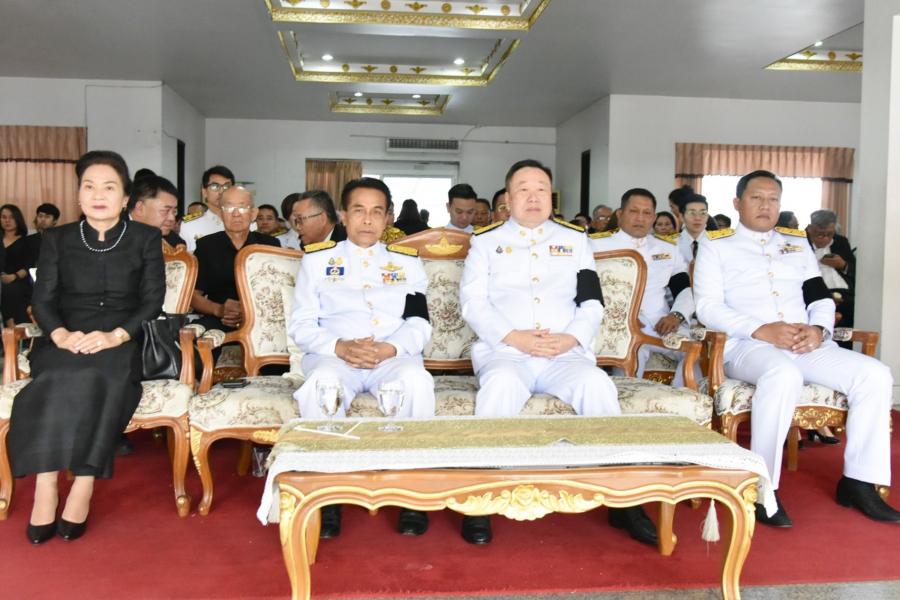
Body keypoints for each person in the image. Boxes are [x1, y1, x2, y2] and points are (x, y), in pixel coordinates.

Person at [694, 169, 900, 528]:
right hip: (747, 345)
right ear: (737, 203)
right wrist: (761, 329)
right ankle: (763, 487)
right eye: (756, 198)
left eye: (773, 199)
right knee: (783, 374)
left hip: (802, 342)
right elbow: (707, 307)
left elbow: (818, 295)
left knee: (875, 374)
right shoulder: (716, 244)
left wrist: (818, 329)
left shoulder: (796, 242)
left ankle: (860, 481)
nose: (765, 205)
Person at [460, 160, 650, 547]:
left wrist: (571, 339)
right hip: (507, 351)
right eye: (524, 189)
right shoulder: (485, 242)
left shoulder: (576, 240)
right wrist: (515, 338)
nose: (533, 197)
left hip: (563, 353)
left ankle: (623, 498)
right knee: (499, 387)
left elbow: (592, 302)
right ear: (508, 198)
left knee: (596, 385)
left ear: (551, 197)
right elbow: (473, 304)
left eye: (541, 189)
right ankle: (481, 498)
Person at [8, 150, 165, 544]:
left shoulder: (145, 238)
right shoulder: (57, 239)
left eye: (109, 187)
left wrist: (116, 335)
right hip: (66, 337)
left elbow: (152, 300)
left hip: (121, 340)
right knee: (58, 372)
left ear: (125, 198)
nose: (98, 195)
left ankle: (84, 482)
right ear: (78, 195)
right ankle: (46, 482)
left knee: (103, 373)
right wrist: (61, 335)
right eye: (89, 187)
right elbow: (43, 299)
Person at [289, 177, 435, 539]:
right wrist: (340, 347)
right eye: (359, 210)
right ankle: (328, 494)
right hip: (335, 356)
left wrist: (389, 348)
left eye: (376, 211)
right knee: (323, 384)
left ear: (388, 218)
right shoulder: (318, 261)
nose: (367, 220)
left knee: (416, 381)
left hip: (391, 356)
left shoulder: (407, 263)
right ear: (343, 215)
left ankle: (411, 493)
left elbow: (419, 322)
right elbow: (302, 325)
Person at [590, 189, 695, 388]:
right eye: (634, 211)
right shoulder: (596, 246)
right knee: (631, 353)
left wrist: (676, 315)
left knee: (696, 350)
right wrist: (618, 319)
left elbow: (684, 288)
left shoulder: (667, 249)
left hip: (660, 324)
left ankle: (679, 399)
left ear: (653, 217)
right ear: (620, 214)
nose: (640, 218)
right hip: (617, 326)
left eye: (647, 213)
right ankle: (626, 405)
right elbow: (586, 291)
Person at [191, 186, 280, 334]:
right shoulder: (206, 246)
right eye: (229, 208)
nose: (236, 214)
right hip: (220, 319)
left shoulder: (270, 245)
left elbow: (280, 292)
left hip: (262, 320)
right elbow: (193, 296)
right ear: (221, 213)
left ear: (253, 213)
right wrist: (219, 309)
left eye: (243, 207)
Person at [181, 165, 235, 253]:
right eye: (215, 186)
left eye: (226, 186)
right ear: (204, 192)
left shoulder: (248, 222)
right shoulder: (189, 224)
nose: (221, 191)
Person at [128, 174, 186, 249]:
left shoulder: (175, 244)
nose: (172, 218)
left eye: (174, 212)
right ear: (140, 208)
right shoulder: (115, 235)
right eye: (165, 211)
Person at [1, 204, 34, 326]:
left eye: (11, 217)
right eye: (4, 217)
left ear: (18, 219)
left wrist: (13, 276)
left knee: (10, 289)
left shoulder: (27, 241)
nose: (7, 221)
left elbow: (29, 266)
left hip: (18, 279)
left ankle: (12, 327)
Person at [675, 191, 712, 264]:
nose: (698, 218)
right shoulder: (671, 244)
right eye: (692, 213)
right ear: (681, 217)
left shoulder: (718, 243)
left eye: (703, 213)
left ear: (707, 217)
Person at [25, 203, 60, 268]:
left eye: (47, 217)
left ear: (55, 221)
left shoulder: (61, 240)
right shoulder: (28, 240)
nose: (43, 219)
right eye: (40, 216)